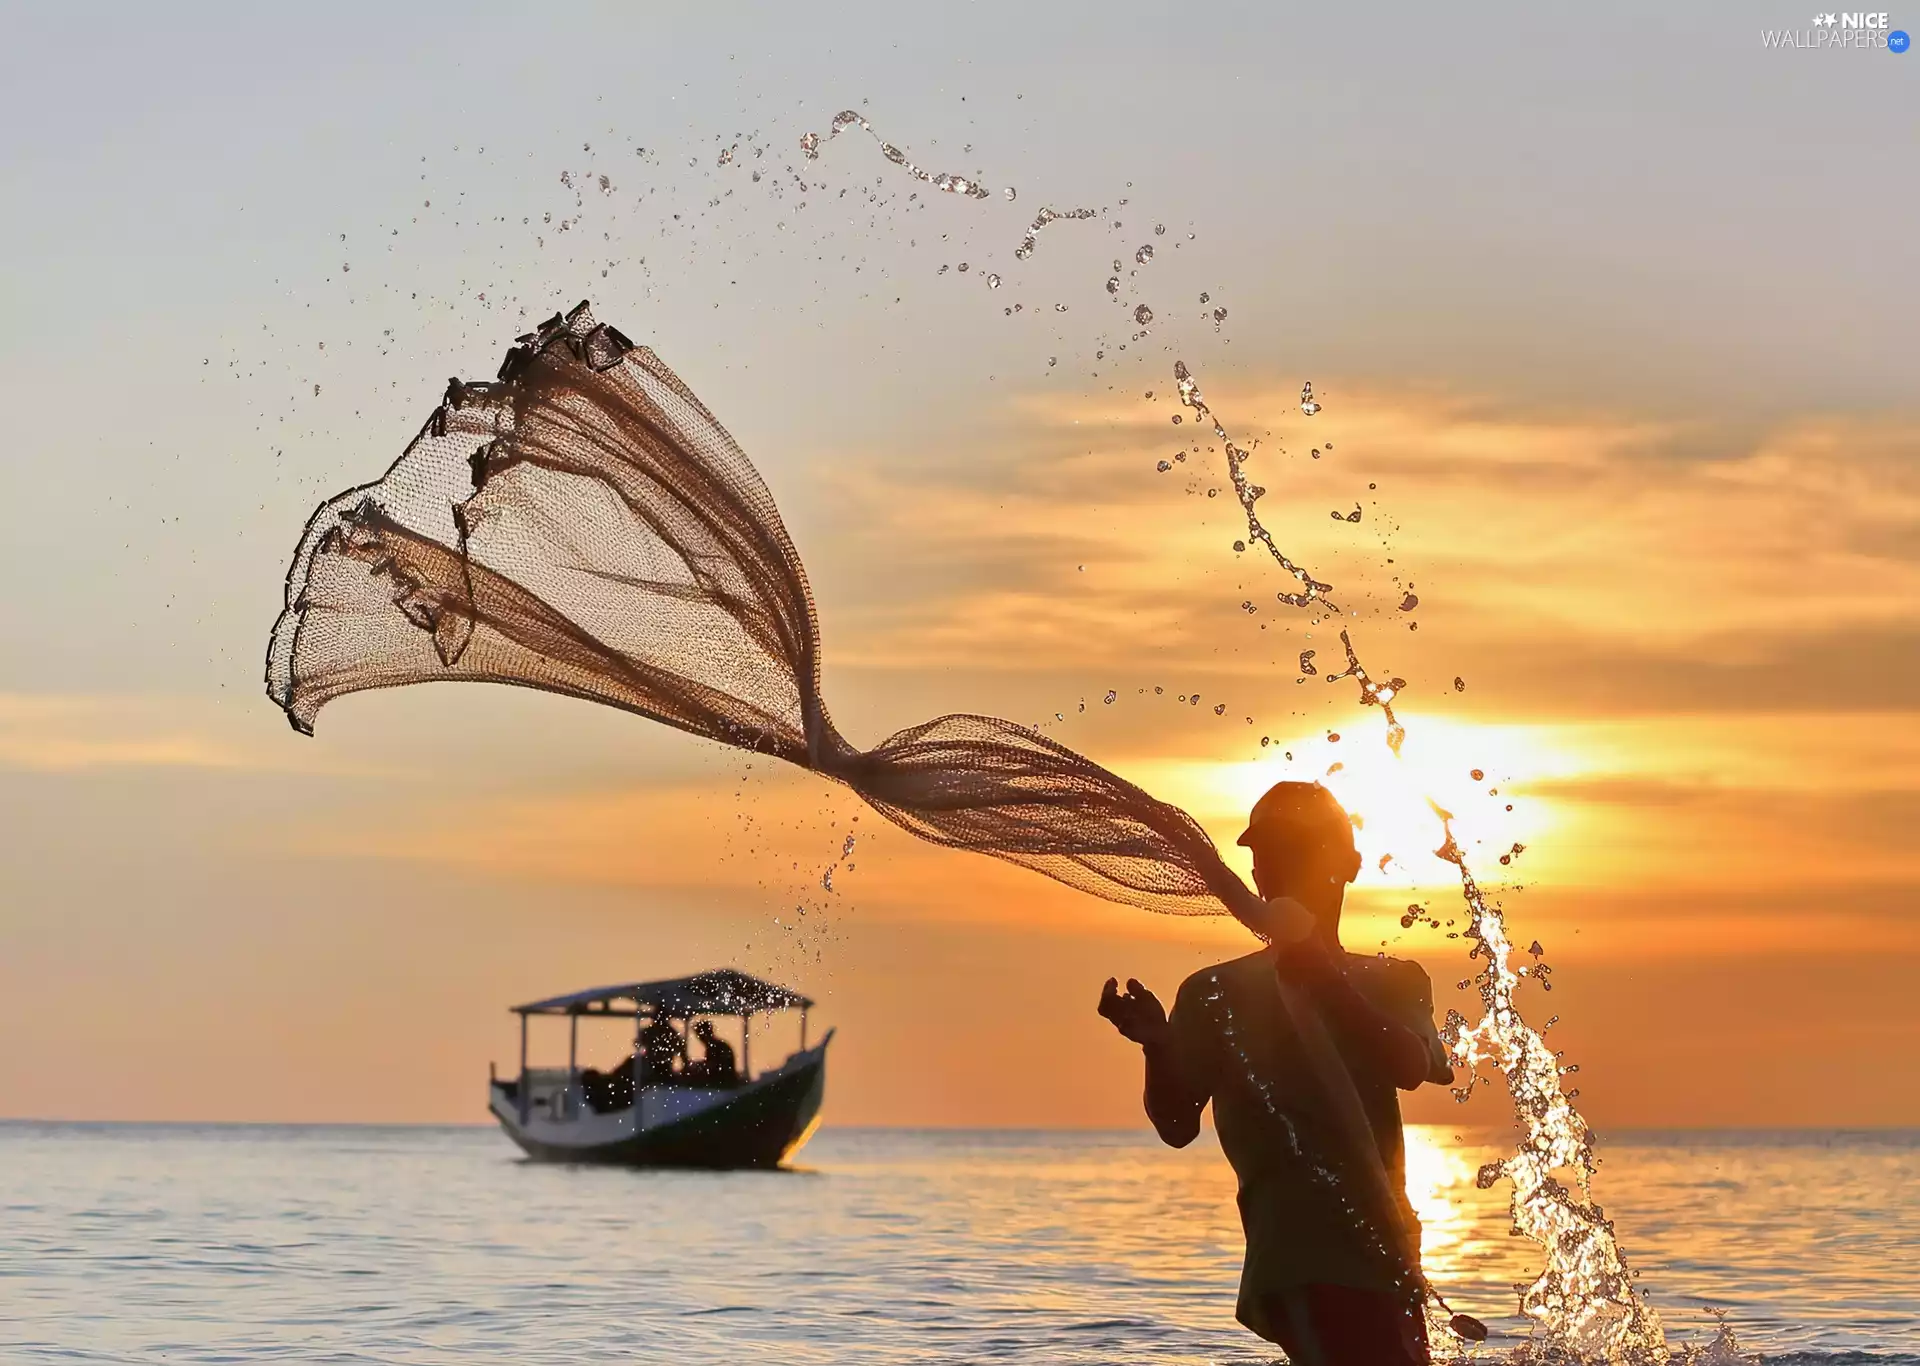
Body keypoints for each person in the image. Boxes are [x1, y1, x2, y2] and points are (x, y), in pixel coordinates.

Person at [1097, 780, 1454, 1366]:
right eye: (1266, 857)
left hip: (1387, 1250)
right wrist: (1158, 1047)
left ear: (1351, 865)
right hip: (1293, 1257)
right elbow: (1178, 1122)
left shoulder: (1393, 980)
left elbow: (1411, 1064)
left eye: (1298, 850)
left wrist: (1326, 983)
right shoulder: (1216, 991)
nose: (1278, 870)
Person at [685, 1019, 740, 1087]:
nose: (699, 1038)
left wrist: (701, 1066)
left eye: (700, 1034)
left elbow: (719, 1067)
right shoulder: (715, 1047)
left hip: (723, 1083)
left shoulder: (718, 1047)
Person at [637, 1015, 682, 1088]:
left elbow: (638, 1044)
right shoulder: (669, 1031)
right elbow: (679, 1048)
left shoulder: (668, 1031)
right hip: (655, 1063)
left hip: (662, 1064)